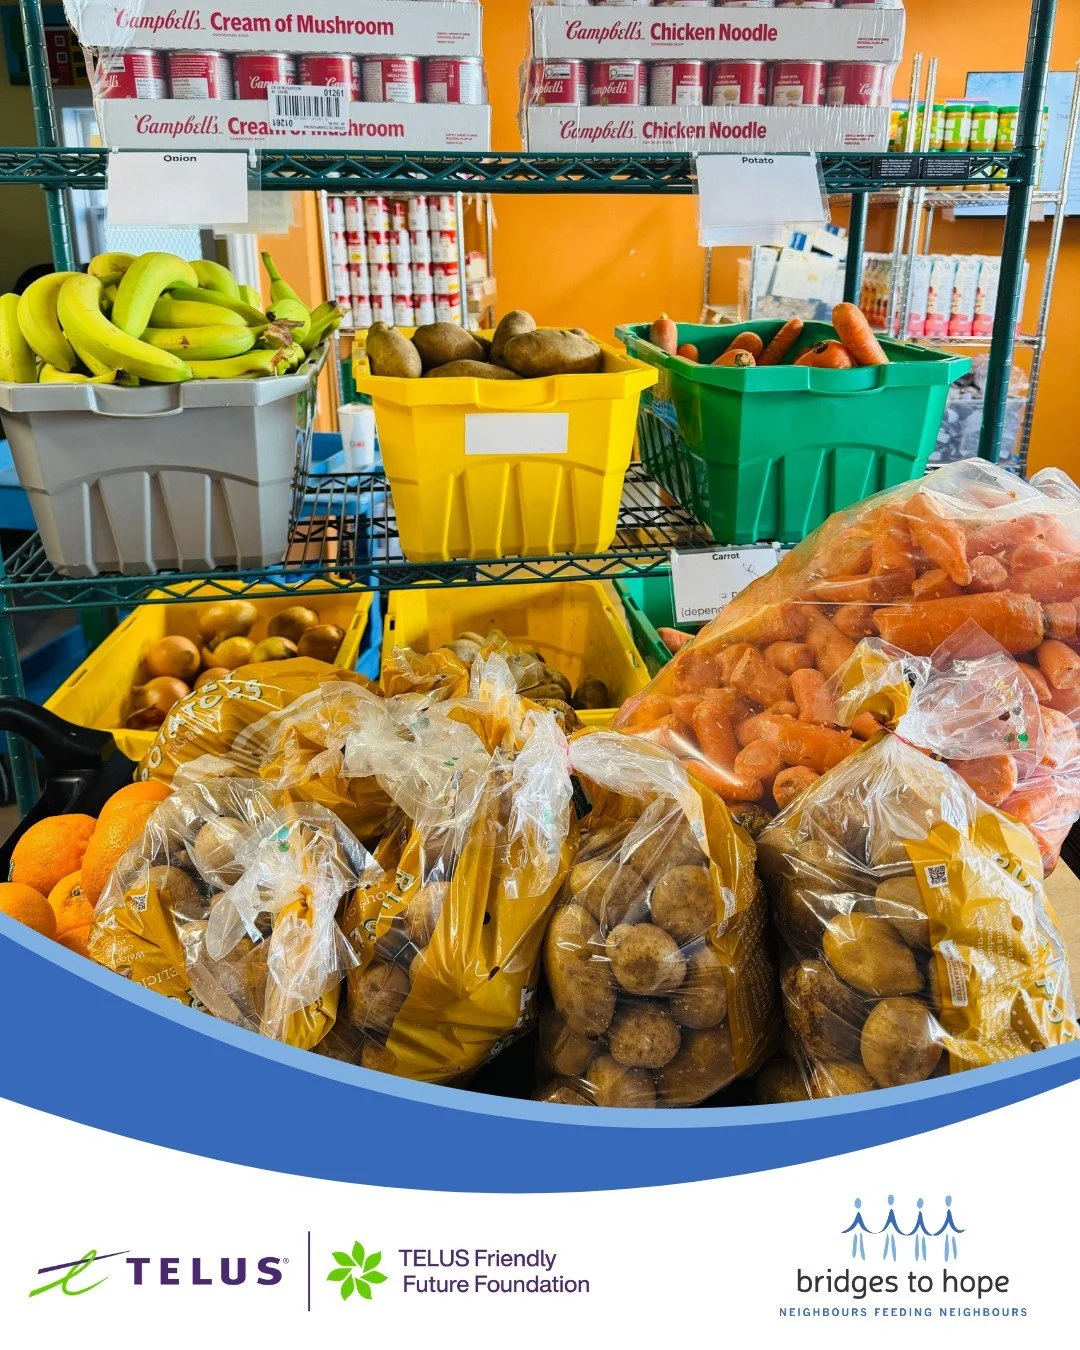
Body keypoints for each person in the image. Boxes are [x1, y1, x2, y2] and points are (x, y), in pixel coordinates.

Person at [934, 1195, 964, 1261]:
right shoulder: (948, 1212)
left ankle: (952, 1257)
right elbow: (949, 1223)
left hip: (949, 1231)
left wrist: (938, 1232)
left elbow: (948, 1223)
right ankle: (951, 1257)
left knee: (949, 1243)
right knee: (949, 1243)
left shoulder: (949, 1212)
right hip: (950, 1232)